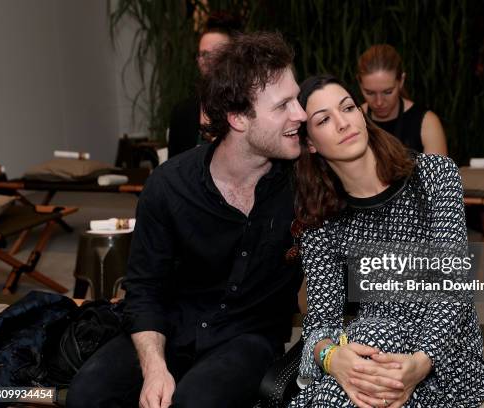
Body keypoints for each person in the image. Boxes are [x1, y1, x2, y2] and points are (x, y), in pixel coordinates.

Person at [66, 32, 307, 408]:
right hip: (173, 328)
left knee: (195, 402)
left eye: (297, 99)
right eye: (284, 105)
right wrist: (155, 368)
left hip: (249, 337)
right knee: (86, 395)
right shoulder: (169, 186)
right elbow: (144, 290)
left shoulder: (307, 182)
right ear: (238, 118)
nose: (301, 114)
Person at [288, 75, 484, 407]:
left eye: (348, 108)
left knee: (369, 347)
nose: (343, 123)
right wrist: (331, 358)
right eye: (324, 119)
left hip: (443, 360)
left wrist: (420, 362)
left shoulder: (433, 175)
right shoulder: (320, 215)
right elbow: (321, 321)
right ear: (310, 143)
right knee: (370, 343)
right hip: (376, 350)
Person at [168, 11, 241, 158]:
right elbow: (172, 169)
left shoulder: (246, 105)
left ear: (234, 56)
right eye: (203, 54)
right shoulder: (182, 112)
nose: (208, 60)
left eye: (217, 52)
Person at [357, 44, 448, 155]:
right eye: (370, 93)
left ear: (401, 81)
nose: (379, 102)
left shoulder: (426, 123)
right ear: (360, 85)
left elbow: (438, 172)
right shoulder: (353, 121)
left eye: (388, 92)